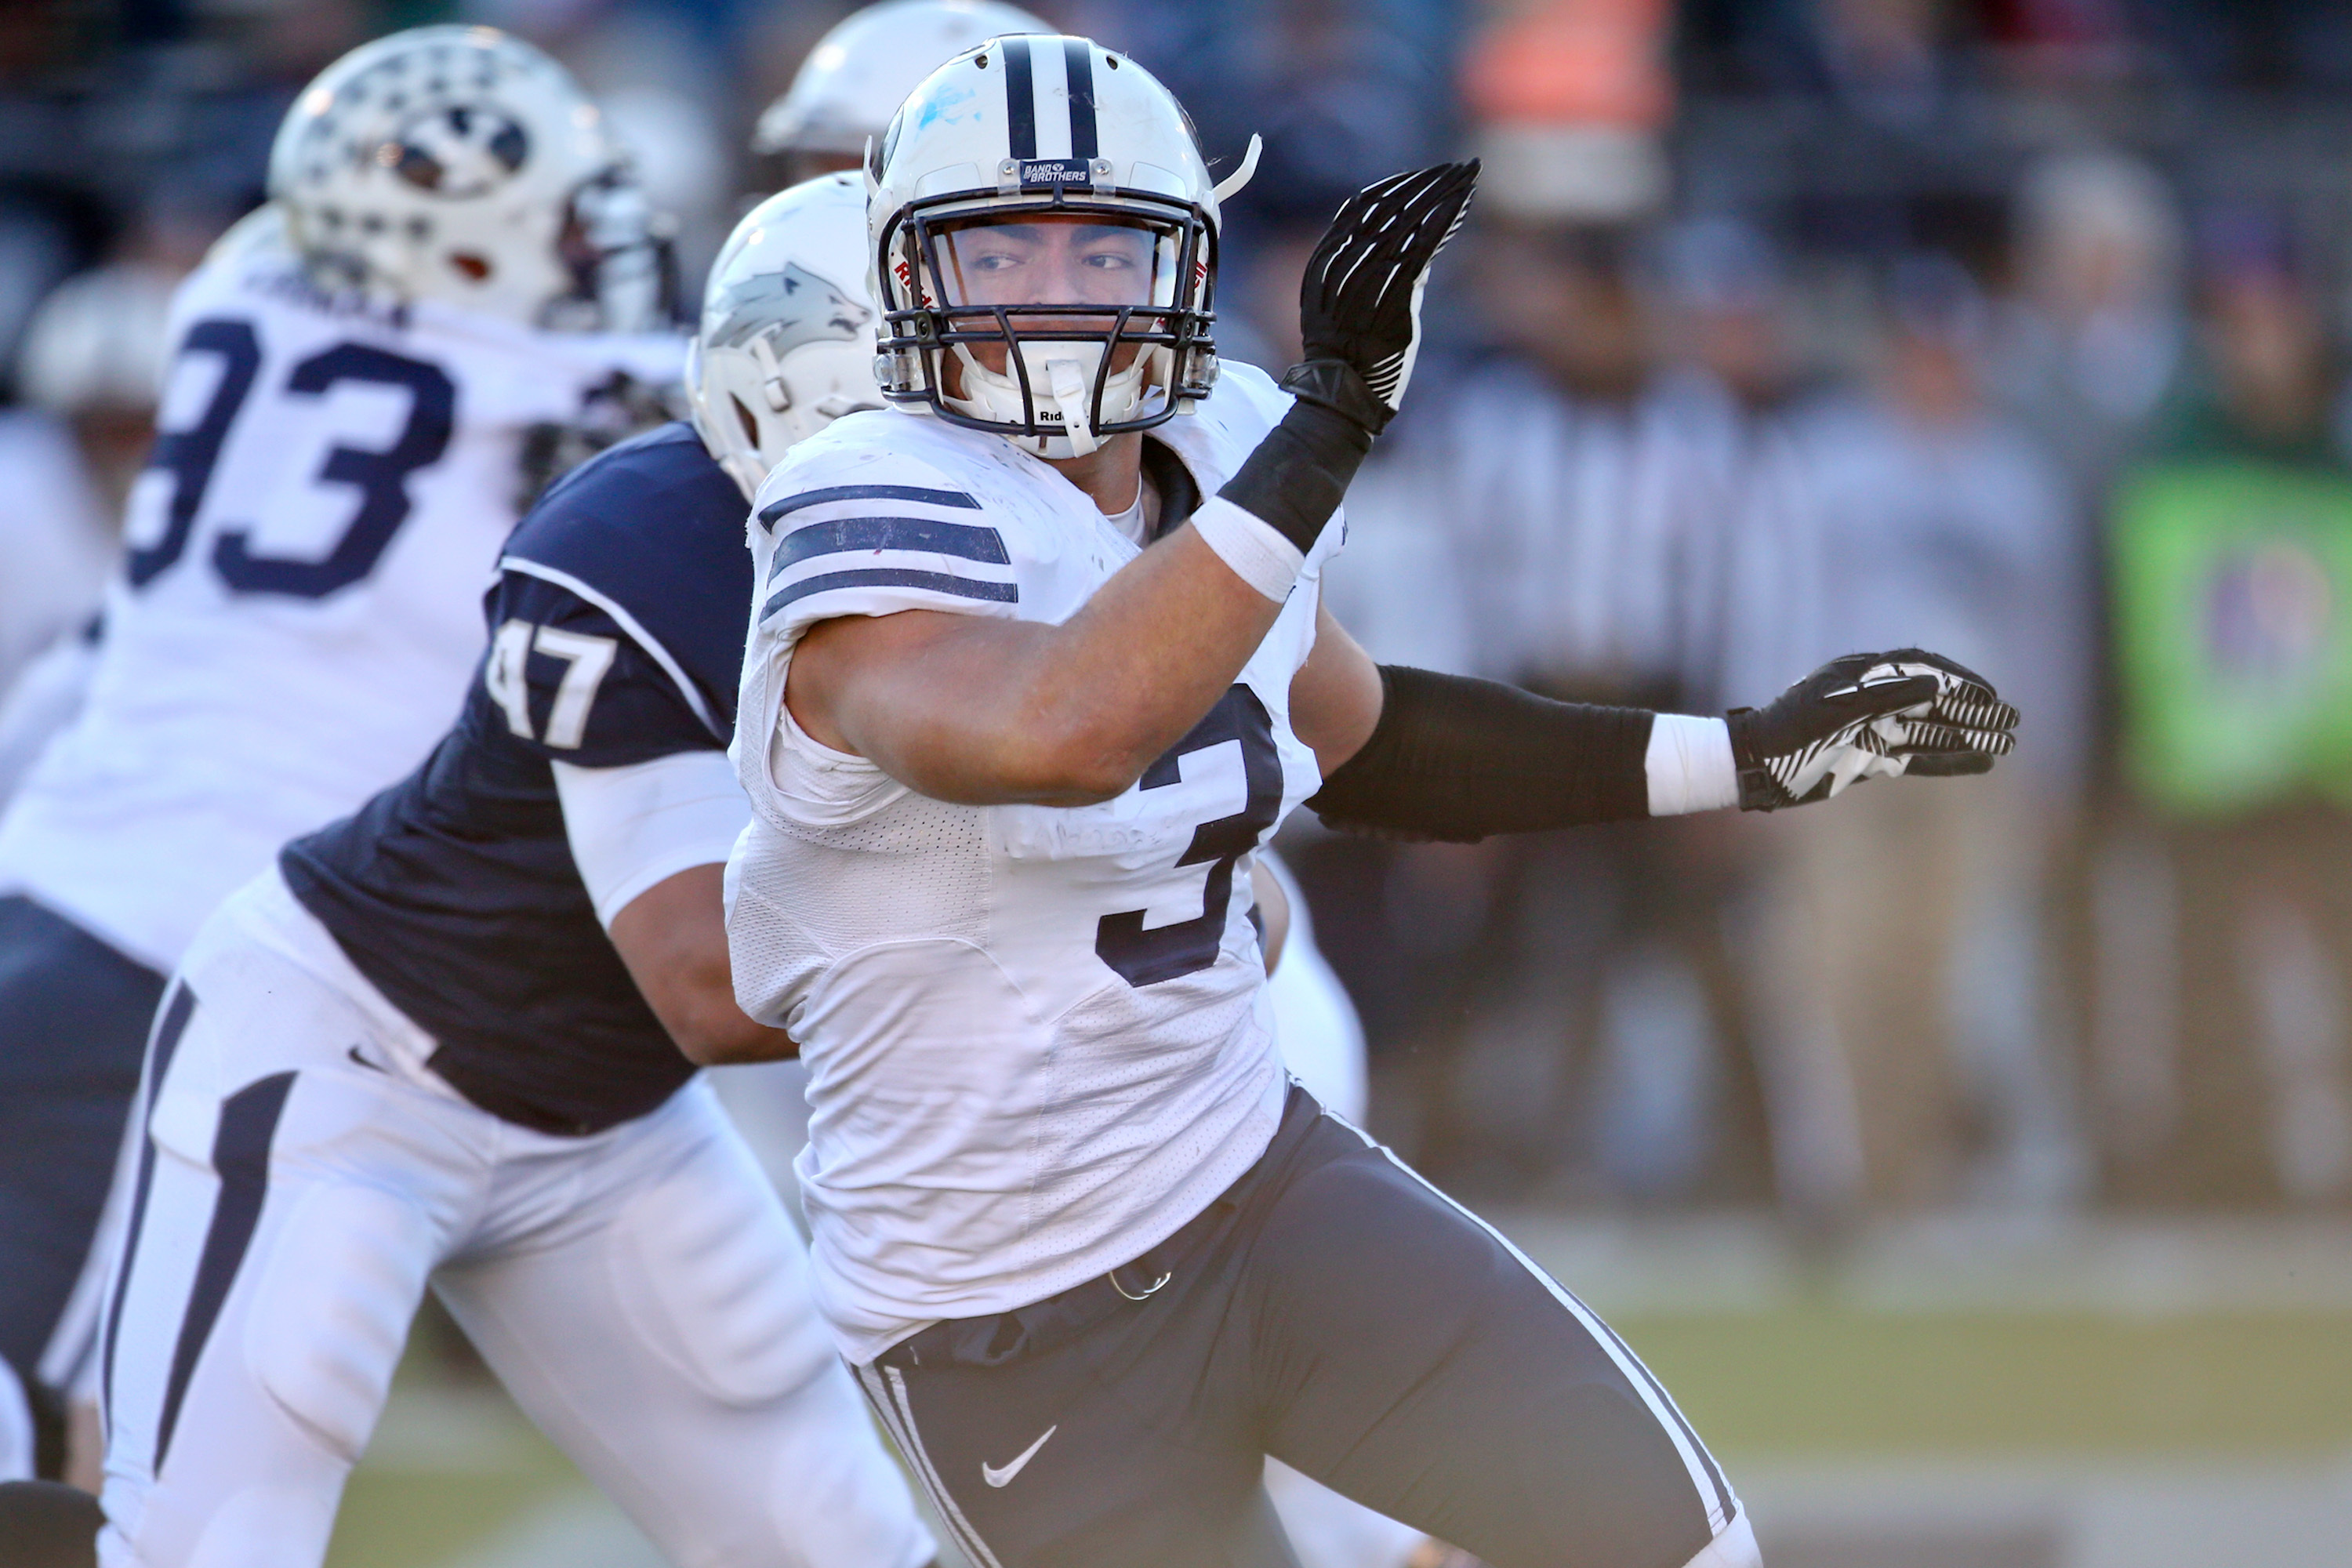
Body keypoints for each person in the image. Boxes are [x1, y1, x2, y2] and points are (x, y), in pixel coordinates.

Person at [727, 35, 2014, 1568]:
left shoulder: (1222, 442)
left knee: (1679, 1548)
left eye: (1103, 248)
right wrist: (1324, 434)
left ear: (1181, 265)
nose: (1057, 294)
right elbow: (1058, 729)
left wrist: (1746, 755)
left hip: (1253, 1184)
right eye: (1002, 250)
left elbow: (1377, 740)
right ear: (908, 273)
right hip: (1003, 1301)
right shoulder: (865, 492)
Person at [96, 174, 935, 1568]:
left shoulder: (1021, 542)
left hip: (609, 1120)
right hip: (354, 1062)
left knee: (837, 1544)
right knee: (209, 1546)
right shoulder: (646, 548)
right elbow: (707, 985)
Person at [0, 27, 683, 1484]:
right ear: (471, 239)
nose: (587, 250)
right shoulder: (566, 381)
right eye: (559, 219)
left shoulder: (236, 292)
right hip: (185, 954)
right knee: (72, 1441)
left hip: (56, 889)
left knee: (96, 1427)